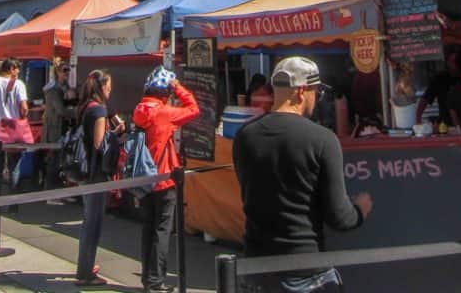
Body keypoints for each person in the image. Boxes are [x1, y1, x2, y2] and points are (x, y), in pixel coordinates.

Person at [233, 56, 373, 293]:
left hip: (256, 267)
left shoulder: (245, 136)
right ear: (300, 92)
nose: (317, 99)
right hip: (305, 269)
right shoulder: (322, 140)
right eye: (315, 92)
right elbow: (340, 218)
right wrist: (361, 209)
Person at [133, 66, 199, 293]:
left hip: (143, 179)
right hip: (163, 178)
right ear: (164, 91)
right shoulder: (164, 113)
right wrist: (178, 86)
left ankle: (147, 279)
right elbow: (193, 109)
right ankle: (155, 282)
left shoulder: (139, 109)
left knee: (147, 228)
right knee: (162, 230)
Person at [76, 69, 124, 285]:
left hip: (86, 171)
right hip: (96, 173)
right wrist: (115, 135)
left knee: (89, 220)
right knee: (93, 223)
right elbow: (99, 144)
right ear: (102, 87)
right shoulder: (99, 111)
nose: (111, 90)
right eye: (109, 86)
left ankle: (85, 265)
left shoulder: (86, 107)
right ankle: (85, 273)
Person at [42, 62, 75, 189]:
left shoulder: (66, 87)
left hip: (63, 128)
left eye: (68, 70)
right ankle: (51, 193)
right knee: (54, 160)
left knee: (61, 160)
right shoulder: (53, 88)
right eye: (64, 70)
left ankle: (59, 192)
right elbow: (60, 110)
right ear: (58, 72)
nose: (67, 72)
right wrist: (77, 112)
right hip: (55, 129)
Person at [416, 49, 460, 125]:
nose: (456, 64)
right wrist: (418, 119)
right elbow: (425, 99)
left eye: (458, 61)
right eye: (453, 61)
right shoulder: (440, 79)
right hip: (446, 125)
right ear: (447, 62)